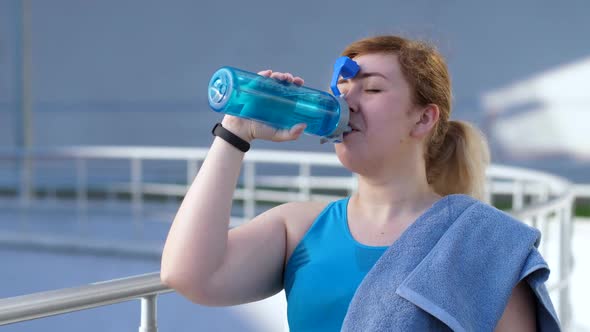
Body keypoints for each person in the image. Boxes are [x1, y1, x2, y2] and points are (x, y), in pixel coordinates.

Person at [161, 35, 559, 331]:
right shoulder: (298, 229)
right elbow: (189, 274)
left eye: (370, 89)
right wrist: (236, 130)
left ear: (423, 119)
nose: (345, 103)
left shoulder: (484, 241)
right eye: (341, 90)